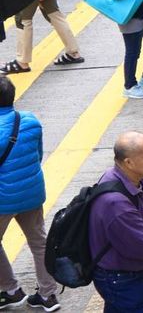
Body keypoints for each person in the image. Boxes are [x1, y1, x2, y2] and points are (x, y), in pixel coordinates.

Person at [88, 132, 143, 310]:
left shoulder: (139, 179)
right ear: (129, 162)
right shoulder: (115, 204)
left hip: (128, 273)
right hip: (119, 279)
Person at [0, 78, 58, 310]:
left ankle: (11, 289)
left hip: (3, 200)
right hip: (32, 194)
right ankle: (48, 295)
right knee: (39, 242)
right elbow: (38, 154)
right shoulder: (30, 121)